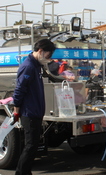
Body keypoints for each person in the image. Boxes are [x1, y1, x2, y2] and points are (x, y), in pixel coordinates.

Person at [12, 39, 56, 175]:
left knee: (32, 145)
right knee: (30, 146)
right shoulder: (29, 66)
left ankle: (24, 171)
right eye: (48, 55)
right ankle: (21, 172)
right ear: (41, 51)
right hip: (29, 112)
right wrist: (16, 110)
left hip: (35, 111)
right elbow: (19, 90)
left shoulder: (36, 66)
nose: (49, 59)